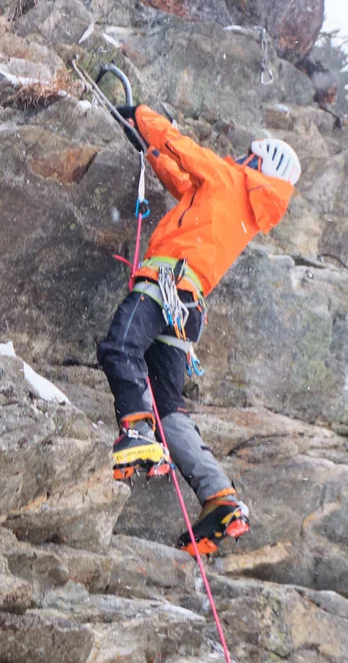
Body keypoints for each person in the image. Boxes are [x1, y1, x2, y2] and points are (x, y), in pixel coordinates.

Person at [97, 103, 300, 555]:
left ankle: (137, 434)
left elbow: (186, 151)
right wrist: (149, 150)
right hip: (189, 306)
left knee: (119, 349)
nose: (239, 158)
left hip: (165, 282)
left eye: (248, 155)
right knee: (169, 405)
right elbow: (181, 180)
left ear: (258, 163)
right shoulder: (244, 204)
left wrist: (144, 116)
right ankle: (219, 499)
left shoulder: (229, 180)